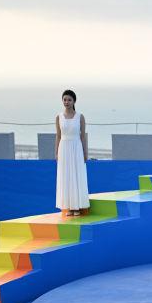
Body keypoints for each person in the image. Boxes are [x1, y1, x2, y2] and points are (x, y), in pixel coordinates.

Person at [55, 89, 89, 217]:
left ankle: (77, 207)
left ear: (74, 101)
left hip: (76, 148)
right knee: (66, 176)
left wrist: (85, 152)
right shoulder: (59, 117)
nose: (66, 102)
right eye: (64, 99)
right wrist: (56, 153)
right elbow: (58, 136)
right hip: (64, 148)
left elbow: (83, 136)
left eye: (69, 100)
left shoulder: (80, 116)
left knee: (76, 175)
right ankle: (68, 207)